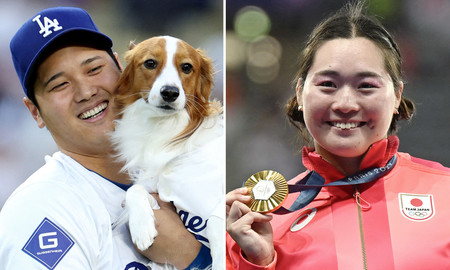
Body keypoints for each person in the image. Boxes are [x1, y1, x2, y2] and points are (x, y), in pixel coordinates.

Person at [226, 2, 450, 269]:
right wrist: (258, 262)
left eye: (366, 85)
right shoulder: (257, 223)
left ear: (397, 95)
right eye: (328, 84)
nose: (345, 103)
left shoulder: (445, 193)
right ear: (299, 93)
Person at [0, 7, 211, 270]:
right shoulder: (40, 208)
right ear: (35, 112)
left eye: (94, 69)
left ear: (123, 69)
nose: (86, 92)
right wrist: (194, 261)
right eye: (59, 85)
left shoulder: (188, 162)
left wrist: (193, 255)